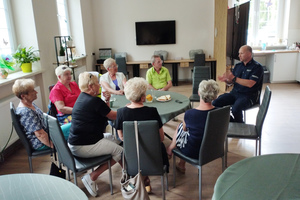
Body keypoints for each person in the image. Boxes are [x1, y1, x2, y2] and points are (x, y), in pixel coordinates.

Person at [68, 72, 123, 197]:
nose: (99, 85)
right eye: (97, 83)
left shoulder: (82, 97)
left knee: (114, 140)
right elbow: (113, 116)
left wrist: (106, 100)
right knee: (120, 151)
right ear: (91, 86)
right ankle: (92, 176)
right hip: (84, 145)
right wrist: (129, 109)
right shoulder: (94, 101)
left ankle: (126, 172)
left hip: (76, 142)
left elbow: (104, 111)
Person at [115, 77, 169, 193]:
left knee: (126, 150)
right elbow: (161, 138)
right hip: (153, 154)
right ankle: (144, 179)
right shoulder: (152, 111)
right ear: (143, 97)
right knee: (161, 147)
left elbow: (121, 137)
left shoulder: (121, 113)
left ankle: (138, 181)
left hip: (132, 155)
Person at [166, 79, 219, 173]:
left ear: (199, 93)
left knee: (181, 126)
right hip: (214, 149)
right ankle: (180, 163)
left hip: (194, 151)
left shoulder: (190, 114)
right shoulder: (220, 112)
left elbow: (184, 129)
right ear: (215, 97)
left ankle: (171, 149)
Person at [212, 45, 264, 123]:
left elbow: (250, 84)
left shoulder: (257, 67)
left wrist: (234, 78)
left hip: (249, 96)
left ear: (249, 54)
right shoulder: (238, 66)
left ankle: (240, 125)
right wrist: (227, 80)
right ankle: (230, 122)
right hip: (234, 93)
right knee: (215, 103)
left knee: (236, 109)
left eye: (241, 53)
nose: (239, 55)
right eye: (239, 53)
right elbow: (232, 82)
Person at [12, 79, 53, 150]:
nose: (36, 92)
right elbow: (40, 135)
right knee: (72, 129)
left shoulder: (30, 104)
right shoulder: (26, 112)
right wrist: (55, 146)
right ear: (23, 96)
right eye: (32, 91)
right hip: (40, 143)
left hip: (47, 134)